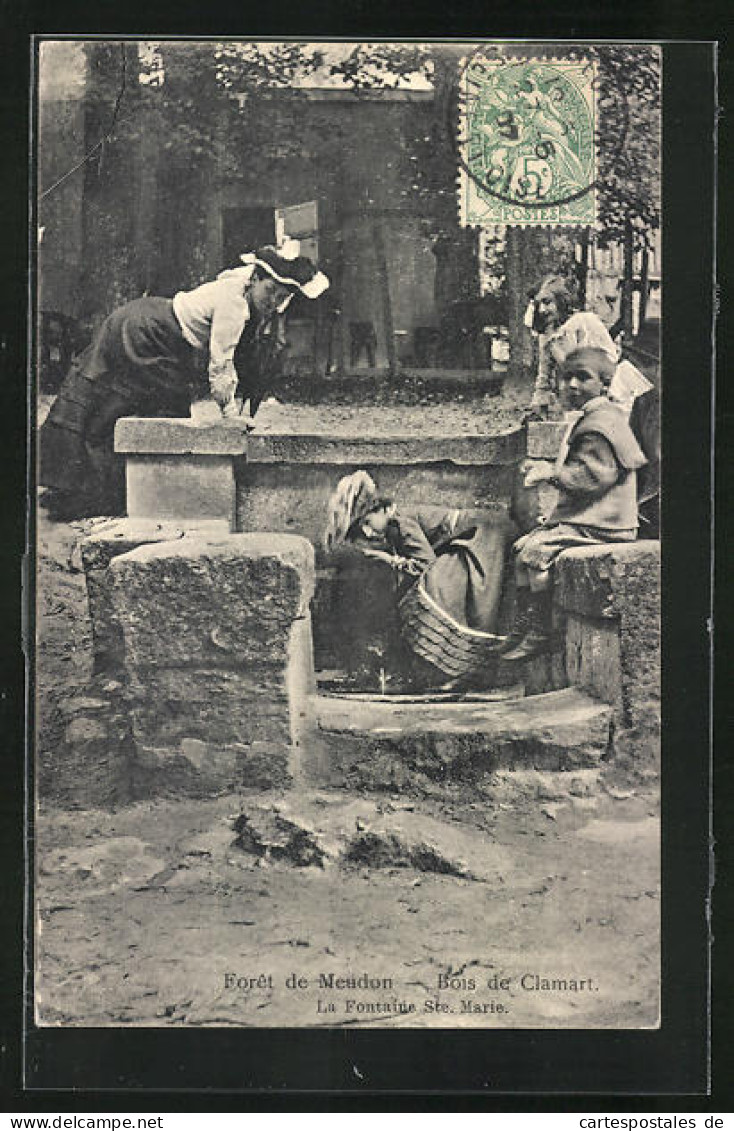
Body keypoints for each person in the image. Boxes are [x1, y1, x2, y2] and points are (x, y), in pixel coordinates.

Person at [39, 241, 329, 520]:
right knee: (164, 411)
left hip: (141, 320)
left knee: (112, 404)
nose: (274, 301)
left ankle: (87, 490)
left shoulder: (240, 284)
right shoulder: (234, 306)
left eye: (283, 297)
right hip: (148, 332)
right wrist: (230, 417)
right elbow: (220, 366)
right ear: (256, 279)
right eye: (271, 291)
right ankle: (106, 496)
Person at [501, 346, 647, 661]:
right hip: (591, 518)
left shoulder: (602, 423)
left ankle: (540, 630)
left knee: (535, 553)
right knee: (519, 549)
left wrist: (551, 473)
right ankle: (524, 625)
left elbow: (595, 476)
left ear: (605, 384)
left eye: (583, 377)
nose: (572, 385)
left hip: (605, 523)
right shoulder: (595, 417)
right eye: (567, 377)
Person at [323, 471, 510, 691]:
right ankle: (453, 670)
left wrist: (391, 560)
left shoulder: (400, 523)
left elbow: (424, 564)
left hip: (484, 534)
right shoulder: (390, 525)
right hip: (475, 535)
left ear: (383, 510)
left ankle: (458, 670)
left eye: (368, 521)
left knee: (435, 587)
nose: (368, 531)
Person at [526, 273, 652, 417]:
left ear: (561, 301)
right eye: (538, 304)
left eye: (547, 302)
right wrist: (538, 404)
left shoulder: (584, 322)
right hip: (575, 393)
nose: (542, 310)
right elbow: (544, 376)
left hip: (612, 391)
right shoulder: (548, 334)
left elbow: (603, 364)